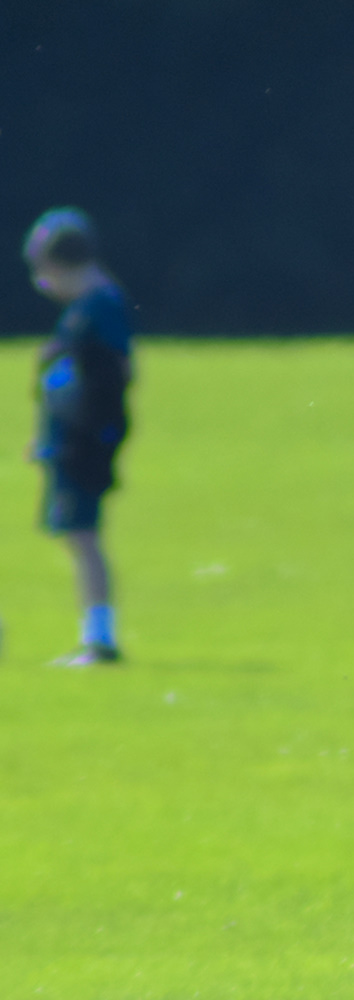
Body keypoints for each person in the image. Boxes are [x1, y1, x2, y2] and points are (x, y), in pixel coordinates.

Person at [22, 208, 134, 666]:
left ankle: (100, 639)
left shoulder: (99, 310)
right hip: (73, 442)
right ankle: (96, 635)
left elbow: (104, 383)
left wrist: (77, 438)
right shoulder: (87, 311)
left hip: (83, 445)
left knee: (83, 535)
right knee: (77, 534)